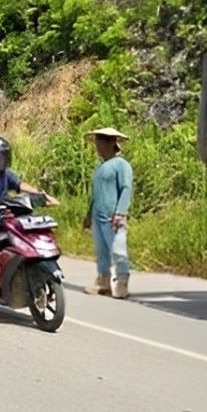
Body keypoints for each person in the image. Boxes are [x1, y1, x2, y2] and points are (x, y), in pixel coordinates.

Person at [0, 135, 50, 296]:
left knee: (24, 230)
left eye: (2, 155)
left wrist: (41, 195)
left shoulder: (7, 174)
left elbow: (21, 185)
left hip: (5, 213)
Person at [83, 127, 134, 299]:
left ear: (111, 143)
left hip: (113, 217)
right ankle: (103, 281)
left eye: (100, 142)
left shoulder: (121, 165)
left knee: (118, 250)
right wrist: (89, 214)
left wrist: (120, 213)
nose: (97, 146)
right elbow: (96, 194)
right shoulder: (101, 166)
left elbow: (126, 189)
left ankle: (122, 282)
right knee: (102, 251)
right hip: (98, 216)